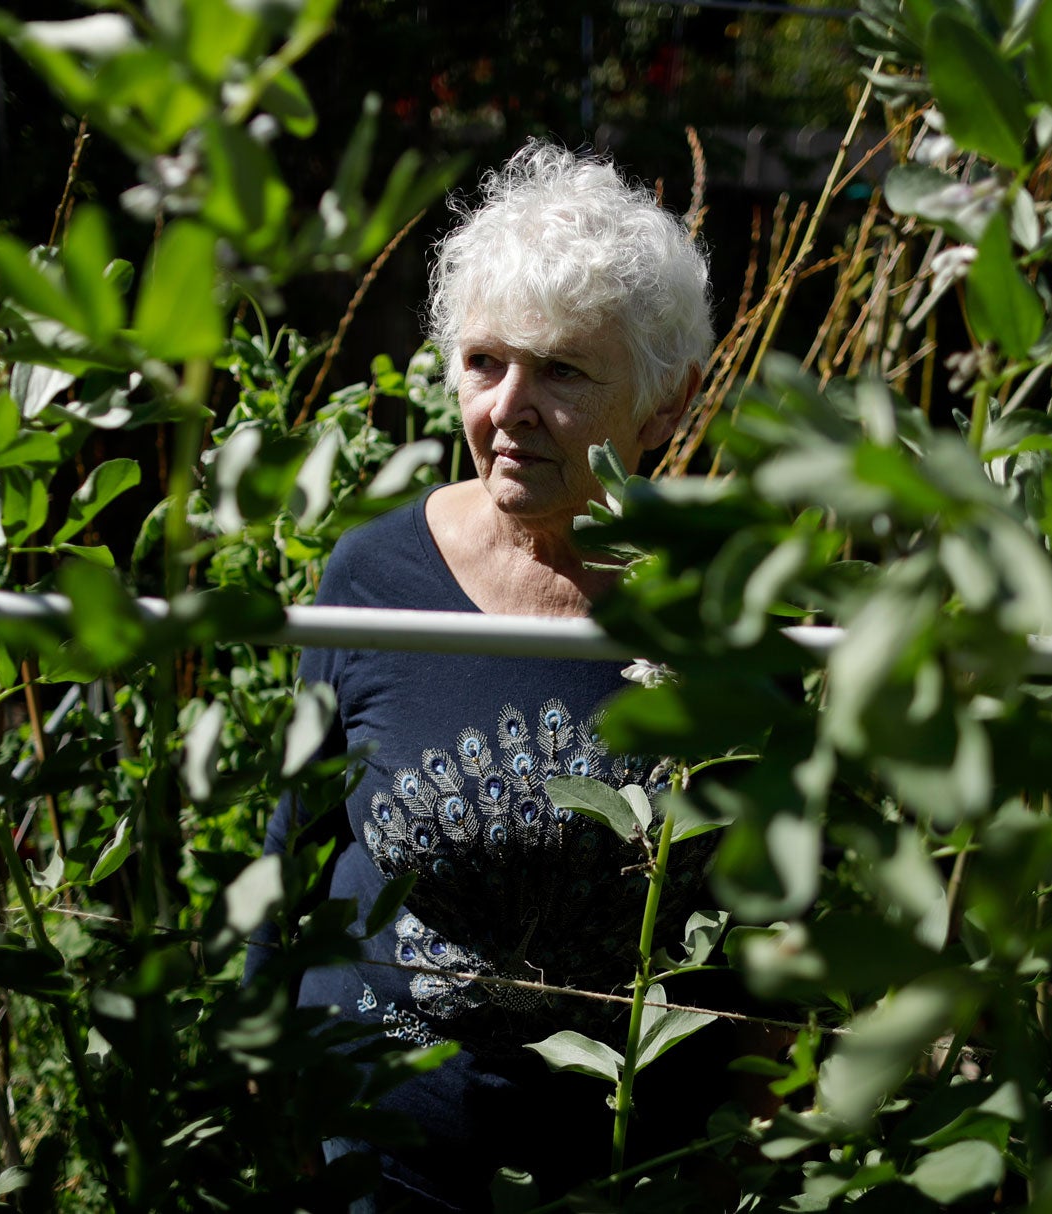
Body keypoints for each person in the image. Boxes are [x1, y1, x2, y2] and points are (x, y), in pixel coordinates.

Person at [254, 140, 717, 1211]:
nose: (509, 406)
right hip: (382, 1140)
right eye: (484, 363)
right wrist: (260, 1067)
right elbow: (296, 837)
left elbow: (770, 899)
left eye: (561, 371)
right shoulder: (375, 575)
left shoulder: (719, 612)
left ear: (662, 405)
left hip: (626, 1157)